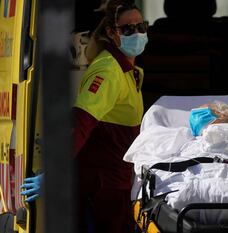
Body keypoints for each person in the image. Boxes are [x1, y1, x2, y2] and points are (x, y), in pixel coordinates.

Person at [72, 0, 148, 232]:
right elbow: (80, 124)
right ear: (111, 33)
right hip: (104, 185)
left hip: (118, 181)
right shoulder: (108, 70)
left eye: (141, 27)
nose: (136, 33)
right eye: (127, 29)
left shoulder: (129, 69)